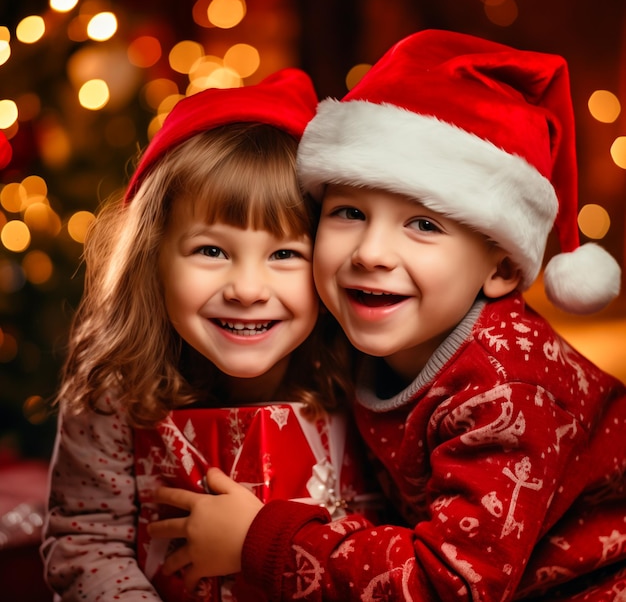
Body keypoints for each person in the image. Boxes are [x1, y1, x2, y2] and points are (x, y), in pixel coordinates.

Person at [147, 29, 626, 601]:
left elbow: (452, 588)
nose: (371, 253)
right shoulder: (359, 332)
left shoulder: (508, 391)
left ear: (498, 271)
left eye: (423, 224)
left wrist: (261, 540)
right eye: (349, 211)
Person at [41, 68, 381, 602]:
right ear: (153, 258)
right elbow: (85, 545)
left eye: (285, 254)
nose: (247, 289)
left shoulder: (367, 373)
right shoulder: (114, 386)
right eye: (212, 251)